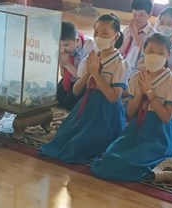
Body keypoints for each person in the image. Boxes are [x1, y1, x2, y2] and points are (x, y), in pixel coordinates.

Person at [91, 34, 172, 182]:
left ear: (168, 55)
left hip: (157, 135)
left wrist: (150, 93)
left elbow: (166, 117)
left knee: (129, 162)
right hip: (136, 130)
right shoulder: (136, 78)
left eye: (160, 53)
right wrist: (140, 93)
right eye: (150, 51)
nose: (155, 56)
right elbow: (130, 112)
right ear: (143, 51)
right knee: (110, 156)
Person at [40, 14, 128, 164]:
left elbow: (114, 98)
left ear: (116, 36)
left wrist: (96, 74)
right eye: (96, 32)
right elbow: (76, 91)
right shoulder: (91, 57)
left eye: (105, 33)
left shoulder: (120, 64)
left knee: (79, 145)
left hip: (106, 115)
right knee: (63, 136)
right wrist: (88, 73)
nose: (99, 37)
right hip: (87, 108)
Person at [57, 21, 97, 111]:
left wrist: (67, 64)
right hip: (71, 77)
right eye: (59, 45)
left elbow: (84, 76)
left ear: (77, 40)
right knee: (56, 99)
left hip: (84, 82)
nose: (62, 49)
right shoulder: (62, 49)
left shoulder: (88, 47)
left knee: (69, 104)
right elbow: (63, 75)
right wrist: (62, 64)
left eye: (66, 45)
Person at [120, 0, 155, 79]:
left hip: (137, 73)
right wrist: (129, 36)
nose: (137, 18)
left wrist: (135, 35)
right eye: (134, 14)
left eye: (141, 15)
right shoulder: (127, 29)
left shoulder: (152, 35)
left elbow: (143, 57)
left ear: (149, 15)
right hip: (121, 68)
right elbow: (120, 52)